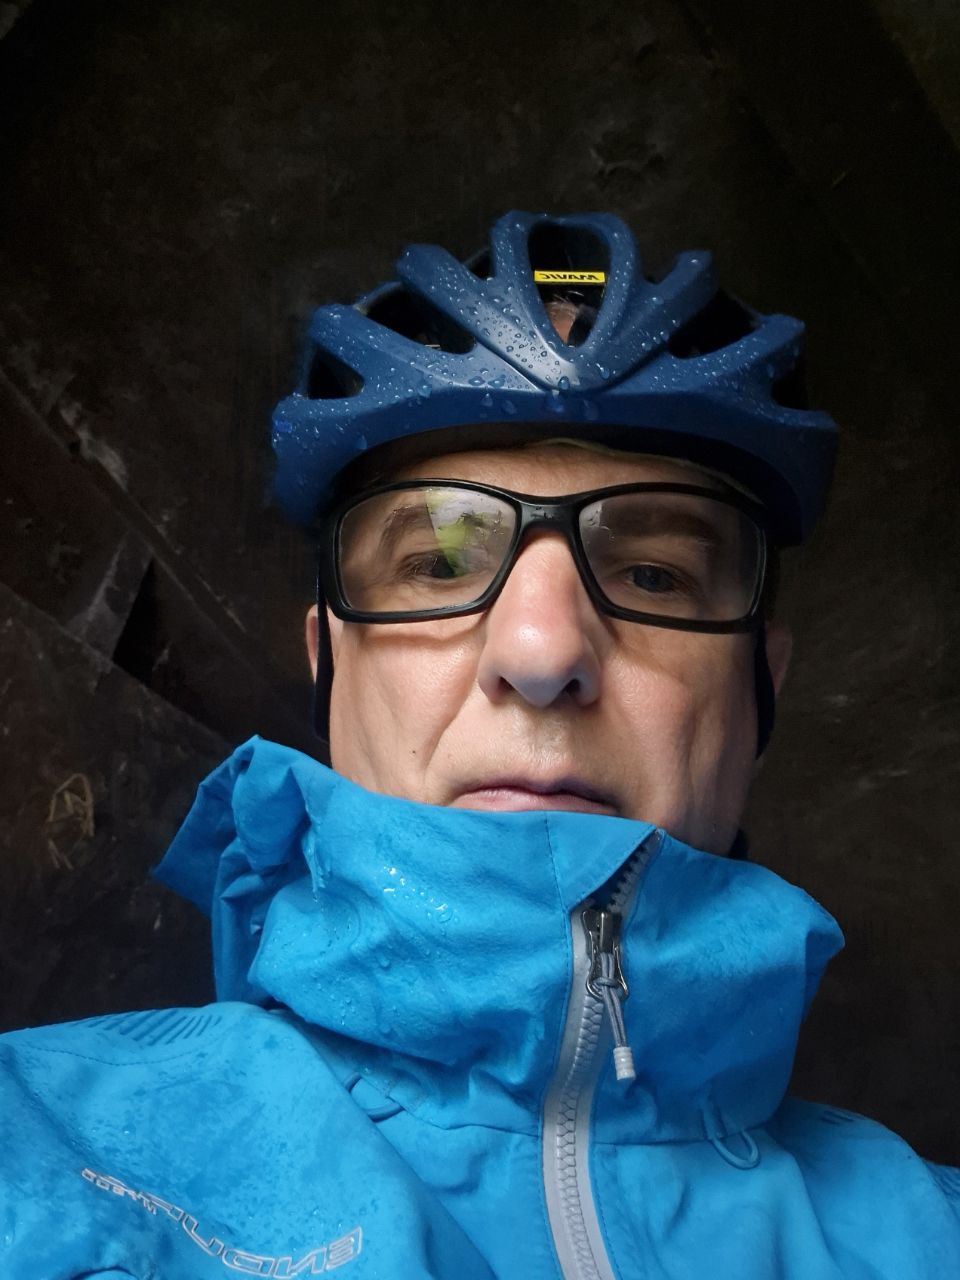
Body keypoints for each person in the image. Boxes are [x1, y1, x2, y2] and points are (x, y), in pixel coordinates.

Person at [0, 211, 957, 1279]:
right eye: (438, 562)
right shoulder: (32, 1150)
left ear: (760, 689)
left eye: (654, 574)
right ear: (328, 664)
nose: (541, 650)